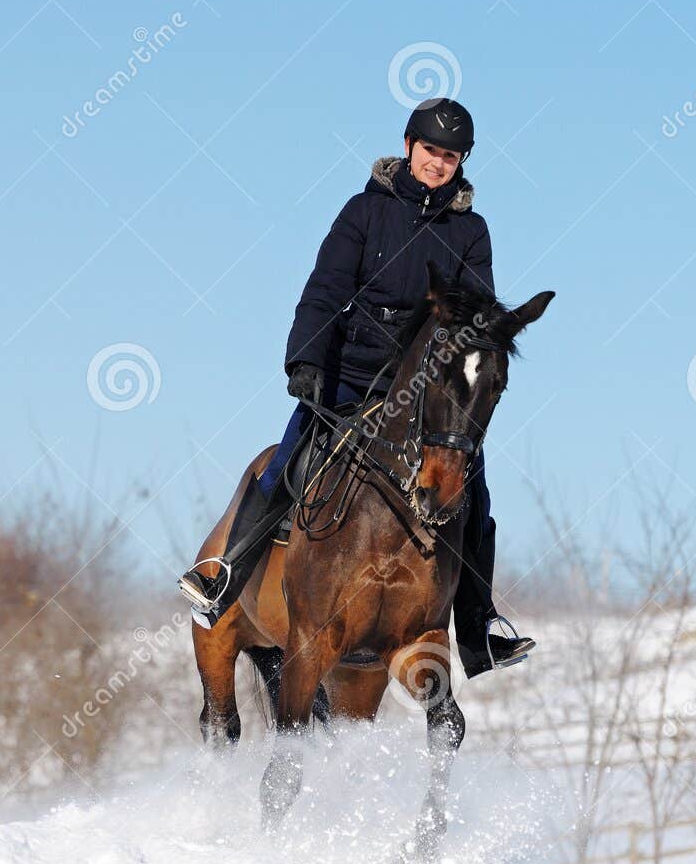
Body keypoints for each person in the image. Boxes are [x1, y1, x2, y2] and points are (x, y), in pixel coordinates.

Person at [177, 97, 533, 677]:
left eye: (450, 156)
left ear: (461, 162)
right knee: (286, 462)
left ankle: (476, 626)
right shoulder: (362, 213)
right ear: (408, 147)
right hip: (349, 371)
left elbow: (473, 313)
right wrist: (305, 358)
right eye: (430, 151)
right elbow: (325, 288)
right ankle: (225, 576)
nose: (438, 164)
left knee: (475, 488)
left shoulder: (472, 231)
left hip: (422, 389)